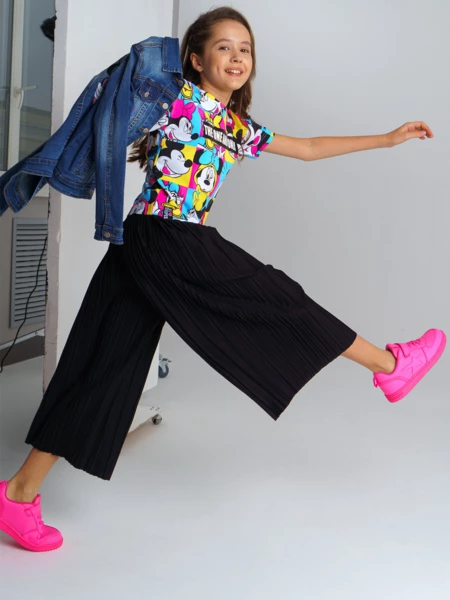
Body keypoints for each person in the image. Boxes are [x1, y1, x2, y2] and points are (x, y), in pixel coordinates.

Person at [0, 6, 445, 553]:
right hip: (164, 235)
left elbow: (307, 148)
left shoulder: (238, 128)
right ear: (195, 59)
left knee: (102, 364)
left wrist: (387, 138)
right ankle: (392, 367)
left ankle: (18, 494)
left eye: (245, 49)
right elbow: (127, 87)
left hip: (143, 245)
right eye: (223, 47)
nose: (237, 57)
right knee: (275, 297)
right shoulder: (174, 98)